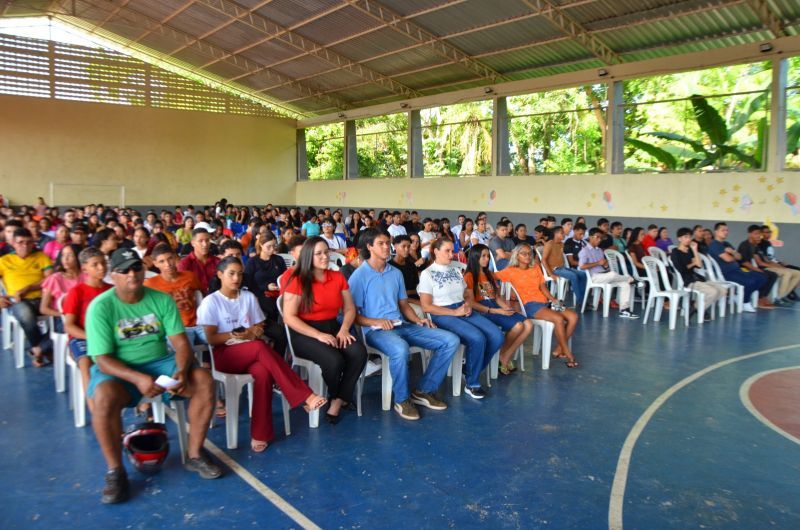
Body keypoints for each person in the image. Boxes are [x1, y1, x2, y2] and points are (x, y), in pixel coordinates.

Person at [86, 248, 222, 504]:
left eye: (136, 268)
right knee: (103, 397)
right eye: (124, 270)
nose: (132, 274)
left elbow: (181, 344)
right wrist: (137, 378)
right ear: (112, 276)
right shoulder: (101, 307)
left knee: (203, 380)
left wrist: (181, 370)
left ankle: (194, 454)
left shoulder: (160, 299)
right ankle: (116, 472)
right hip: (120, 369)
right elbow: (102, 360)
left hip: (160, 363)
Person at [197, 257, 326, 452]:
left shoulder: (248, 297)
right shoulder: (211, 302)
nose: (236, 278)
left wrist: (254, 331)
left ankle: (260, 434)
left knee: (263, 372)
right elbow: (211, 338)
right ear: (220, 275)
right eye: (231, 273)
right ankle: (303, 395)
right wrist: (238, 334)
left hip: (252, 351)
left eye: (240, 273)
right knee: (260, 347)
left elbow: (259, 325)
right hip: (225, 355)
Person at [349, 228, 459, 420]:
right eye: (381, 244)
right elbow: (352, 314)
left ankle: (424, 390)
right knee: (400, 349)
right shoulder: (360, 276)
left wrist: (418, 320)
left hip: (401, 325)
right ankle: (402, 399)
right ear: (369, 247)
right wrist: (377, 322)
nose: (386, 247)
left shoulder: (395, 273)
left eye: (387, 243)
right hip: (376, 331)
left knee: (450, 340)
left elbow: (403, 304)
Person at [282, 237, 367, 424]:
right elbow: (289, 317)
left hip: (333, 327)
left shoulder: (337, 277)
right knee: (334, 360)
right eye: (318, 253)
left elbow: (350, 308)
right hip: (304, 332)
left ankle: (337, 399)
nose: (324, 256)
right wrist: (318, 335)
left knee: (358, 352)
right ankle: (340, 395)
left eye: (326, 252)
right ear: (308, 256)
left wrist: (344, 329)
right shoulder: (298, 280)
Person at [418, 238, 503, 399]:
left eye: (453, 251)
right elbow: (426, 307)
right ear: (436, 251)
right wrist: (454, 313)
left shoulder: (456, 270)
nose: (452, 255)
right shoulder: (427, 274)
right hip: (443, 313)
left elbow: (465, 294)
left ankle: (470, 368)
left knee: (497, 336)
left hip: (462, 308)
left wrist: (467, 305)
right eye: (447, 251)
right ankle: (472, 383)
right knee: (477, 337)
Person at [496, 244, 580, 367]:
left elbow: (542, 287)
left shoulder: (535, 267)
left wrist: (553, 299)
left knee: (573, 316)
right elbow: (492, 276)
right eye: (523, 253)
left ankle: (559, 349)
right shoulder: (510, 271)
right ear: (517, 256)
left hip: (545, 302)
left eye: (529, 253)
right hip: (530, 305)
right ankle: (568, 354)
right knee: (559, 319)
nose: (528, 256)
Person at [464, 245, 532, 374]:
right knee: (518, 326)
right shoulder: (469, 276)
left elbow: (497, 297)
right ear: (475, 256)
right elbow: (471, 303)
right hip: (483, 310)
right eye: (483, 256)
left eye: (488, 256)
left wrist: (507, 308)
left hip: (495, 306)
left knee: (528, 324)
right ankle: (503, 356)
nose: (486, 259)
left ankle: (504, 355)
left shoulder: (489, 274)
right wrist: (496, 311)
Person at [62, 247, 111, 411]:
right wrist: (92, 337)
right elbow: (69, 325)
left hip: (109, 335)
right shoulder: (77, 292)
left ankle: (144, 403)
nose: (101, 268)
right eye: (95, 265)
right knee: (86, 362)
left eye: (103, 263)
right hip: (83, 337)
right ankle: (95, 408)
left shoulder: (111, 290)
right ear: (84, 268)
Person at [0, 228, 54, 366]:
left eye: (29, 242)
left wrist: (29, 288)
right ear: (13, 243)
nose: (25, 246)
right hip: (18, 301)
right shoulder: (4, 260)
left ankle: (38, 349)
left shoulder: (42, 257)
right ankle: (42, 348)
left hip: (44, 298)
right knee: (25, 313)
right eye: (20, 242)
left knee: (66, 314)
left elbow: (51, 279)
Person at [145, 244, 207, 351]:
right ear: (155, 263)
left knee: (224, 340)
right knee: (185, 353)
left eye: (170, 259)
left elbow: (203, 297)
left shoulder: (190, 276)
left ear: (175, 257)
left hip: (200, 324)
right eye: (162, 261)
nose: (168, 264)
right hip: (176, 329)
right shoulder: (150, 284)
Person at [579, 228, 639, 319]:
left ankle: (624, 310)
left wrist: (606, 265)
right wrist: (598, 263)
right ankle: (631, 279)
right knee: (614, 274)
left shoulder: (599, 250)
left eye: (601, 238)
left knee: (625, 284)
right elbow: (581, 266)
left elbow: (603, 265)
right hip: (594, 277)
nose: (599, 240)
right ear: (591, 237)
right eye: (597, 237)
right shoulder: (584, 250)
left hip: (604, 274)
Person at [708, 222, 767, 312]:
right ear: (716, 232)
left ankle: (740, 297)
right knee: (750, 282)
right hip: (725, 274)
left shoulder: (726, 243)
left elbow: (739, 257)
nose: (726, 232)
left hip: (737, 270)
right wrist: (733, 255)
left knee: (762, 277)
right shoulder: (714, 245)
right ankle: (745, 302)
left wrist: (732, 252)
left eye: (727, 230)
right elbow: (728, 259)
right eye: (723, 230)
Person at [670, 228, 728, 317]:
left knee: (723, 290)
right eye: (686, 237)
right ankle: (699, 308)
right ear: (679, 239)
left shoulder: (690, 251)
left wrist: (694, 250)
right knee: (713, 292)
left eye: (690, 237)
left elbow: (699, 265)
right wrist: (693, 263)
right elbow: (682, 269)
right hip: (688, 281)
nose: (688, 239)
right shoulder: (675, 252)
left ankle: (695, 307)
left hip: (698, 279)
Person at [737, 225, 785, 305]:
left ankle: (762, 297)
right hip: (744, 270)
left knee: (773, 275)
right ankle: (759, 299)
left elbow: (758, 259)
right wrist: (757, 269)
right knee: (764, 275)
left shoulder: (755, 246)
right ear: (750, 234)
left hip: (752, 268)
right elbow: (744, 262)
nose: (758, 235)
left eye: (759, 233)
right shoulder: (744, 245)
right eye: (756, 233)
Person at [39, 243, 83, 325]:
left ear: (78, 257)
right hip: (62, 319)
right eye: (63, 255)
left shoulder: (86, 276)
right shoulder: (55, 279)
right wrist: (64, 315)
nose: (65, 259)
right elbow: (43, 308)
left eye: (70, 255)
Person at [542, 226, 585, 307]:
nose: (564, 234)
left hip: (562, 268)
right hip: (554, 269)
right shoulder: (549, 244)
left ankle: (583, 298)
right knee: (573, 276)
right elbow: (543, 260)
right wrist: (551, 274)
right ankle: (582, 302)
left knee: (582, 274)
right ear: (555, 234)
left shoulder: (562, 244)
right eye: (561, 233)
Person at [178, 228, 220, 295]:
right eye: (200, 241)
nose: (205, 244)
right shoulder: (184, 264)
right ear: (193, 243)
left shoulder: (217, 261)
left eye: (207, 240)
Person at [389, 235, 420, 300]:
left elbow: (418, 287)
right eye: (403, 246)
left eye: (408, 247)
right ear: (395, 246)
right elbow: (393, 293)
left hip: (415, 297)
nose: (406, 249)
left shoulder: (411, 265)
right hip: (400, 301)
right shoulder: (389, 267)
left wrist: (408, 292)